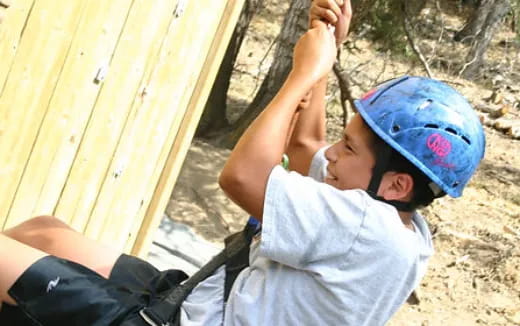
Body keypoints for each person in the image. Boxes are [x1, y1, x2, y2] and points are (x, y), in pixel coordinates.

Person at [0, 0, 486, 325]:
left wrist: (304, 74)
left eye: (350, 149)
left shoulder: (369, 230)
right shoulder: (396, 221)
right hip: (198, 302)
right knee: (43, 230)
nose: (333, 154)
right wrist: (328, 49)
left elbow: (242, 176)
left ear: (397, 184)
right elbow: (305, 145)